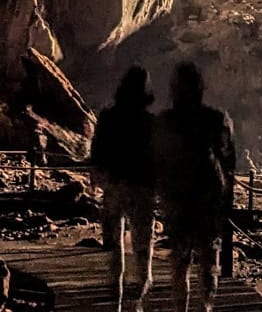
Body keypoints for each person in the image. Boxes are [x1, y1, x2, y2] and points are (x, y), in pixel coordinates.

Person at [154, 62, 235, 312]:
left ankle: (181, 307)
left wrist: (161, 192)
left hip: (177, 200)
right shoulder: (216, 119)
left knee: (180, 262)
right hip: (208, 201)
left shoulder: (165, 121)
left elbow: (156, 160)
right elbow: (228, 161)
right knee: (209, 261)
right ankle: (206, 306)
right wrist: (226, 201)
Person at [90, 66, 157, 312]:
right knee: (142, 242)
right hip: (141, 189)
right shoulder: (150, 123)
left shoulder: (108, 117)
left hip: (114, 185)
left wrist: (97, 177)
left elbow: (97, 149)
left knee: (115, 244)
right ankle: (140, 287)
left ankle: (115, 295)